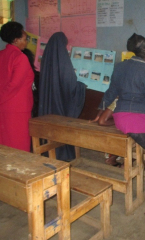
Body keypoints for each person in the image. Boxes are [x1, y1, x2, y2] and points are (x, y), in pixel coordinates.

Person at [98, 33, 145, 198]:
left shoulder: (120, 67)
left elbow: (111, 92)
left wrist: (100, 110)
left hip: (121, 119)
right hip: (140, 122)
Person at [0, 21, 34, 151]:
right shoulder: (20, 58)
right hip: (17, 110)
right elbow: (14, 86)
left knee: (3, 145)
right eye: (25, 39)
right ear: (16, 40)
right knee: (18, 147)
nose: (26, 42)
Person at [38, 32, 86, 161]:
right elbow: (69, 83)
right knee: (61, 126)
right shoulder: (62, 57)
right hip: (59, 101)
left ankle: (48, 151)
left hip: (49, 100)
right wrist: (81, 86)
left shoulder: (46, 57)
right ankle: (61, 154)